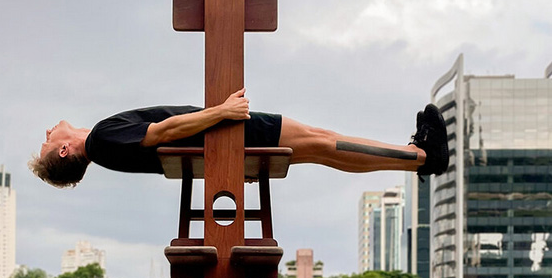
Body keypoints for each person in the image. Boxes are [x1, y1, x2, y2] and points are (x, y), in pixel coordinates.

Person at [29, 88, 449, 188]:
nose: (47, 132)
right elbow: (163, 132)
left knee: (322, 148)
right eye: (48, 141)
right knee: (323, 139)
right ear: (65, 150)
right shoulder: (102, 139)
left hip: (220, 149)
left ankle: (415, 158)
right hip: (226, 135)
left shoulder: (104, 148)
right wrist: (224, 111)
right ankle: (421, 156)